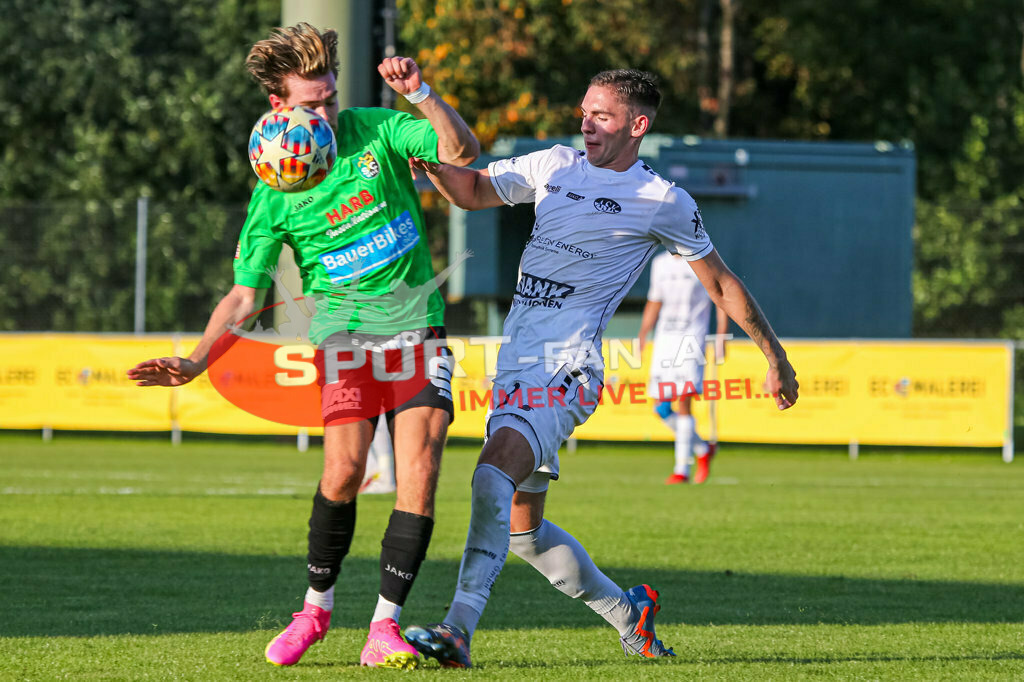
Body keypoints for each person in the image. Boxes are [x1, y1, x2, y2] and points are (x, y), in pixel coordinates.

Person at [401, 69, 798, 667]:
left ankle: (458, 629)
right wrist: (429, 162)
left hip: (567, 367)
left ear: (637, 125)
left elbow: (720, 283)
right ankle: (627, 613)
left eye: (602, 116)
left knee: (489, 476)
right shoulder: (554, 165)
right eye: (584, 111)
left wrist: (776, 357)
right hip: (518, 363)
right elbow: (475, 190)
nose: (586, 124)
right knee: (525, 534)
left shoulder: (662, 199)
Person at [126, 23, 479, 670]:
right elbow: (243, 298)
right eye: (312, 104)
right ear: (278, 107)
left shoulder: (377, 128)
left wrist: (421, 93)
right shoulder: (274, 194)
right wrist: (196, 360)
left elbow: (462, 150)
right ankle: (315, 609)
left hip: (416, 331)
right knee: (343, 472)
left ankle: (384, 627)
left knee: (420, 475)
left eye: (331, 98)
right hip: (343, 340)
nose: (326, 112)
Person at [638, 250, 729, 484]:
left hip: (692, 340)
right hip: (665, 340)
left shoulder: (702, 260)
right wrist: (643, 334)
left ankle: (681, 470)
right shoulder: (659, 263)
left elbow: (721, 297)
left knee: (684, 399)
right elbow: (654, 301)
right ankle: (702, 449)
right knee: (661, 409)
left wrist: (721, 336)